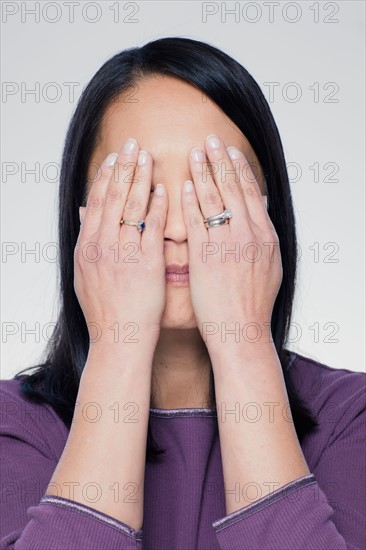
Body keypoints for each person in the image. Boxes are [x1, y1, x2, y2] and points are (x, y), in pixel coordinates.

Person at [1, 36, 365, 550]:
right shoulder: (12, 427)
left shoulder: (351, 417)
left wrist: (242, 338)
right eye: (139, 191)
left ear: (268, 215)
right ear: (81, 218)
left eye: (213, 190)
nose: (176, 229)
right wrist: (118, 343)